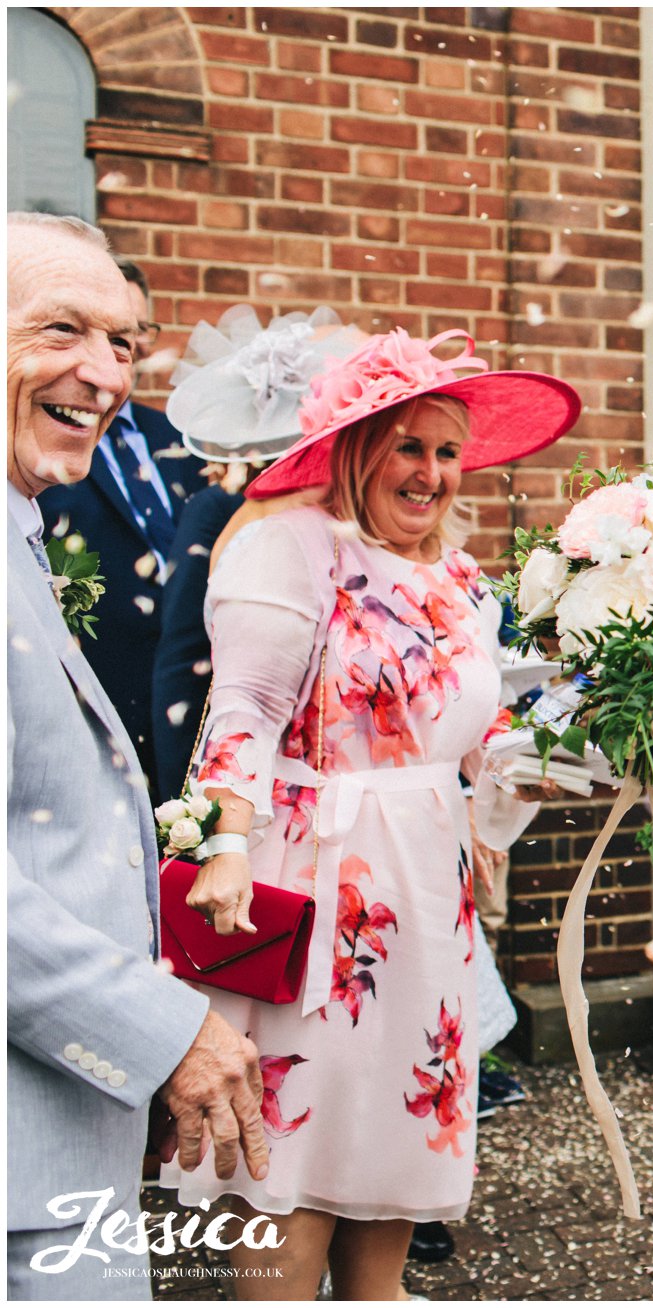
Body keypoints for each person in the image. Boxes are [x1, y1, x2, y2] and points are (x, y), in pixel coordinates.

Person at [157, 327, 579, 1300]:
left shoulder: (460, 578)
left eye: (445, 450)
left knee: (396, 1139)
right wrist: (224, 845)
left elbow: (474, 735)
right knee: (299, 1142)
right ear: (355, 449)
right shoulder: (289, 547)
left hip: (426, 893)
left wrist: (527, 770)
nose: (430, 472)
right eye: (408, 446)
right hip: (313, 885)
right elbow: (246, 712)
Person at [7, 211, 268, 1298]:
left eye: (125, 342)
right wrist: (161, 1035)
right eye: (63, 329)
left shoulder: (19, 530)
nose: (106, 372)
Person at [151, 305, 358, 798]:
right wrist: (186, 796)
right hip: (240, 766)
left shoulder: (355, 514)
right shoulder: (221, 509)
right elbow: (183, 657)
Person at [37, 255, 200, 803]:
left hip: (189, 693)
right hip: (97, 691)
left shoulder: (181, 436)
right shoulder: (42, 438)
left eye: (132, 334)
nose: (113, 354)